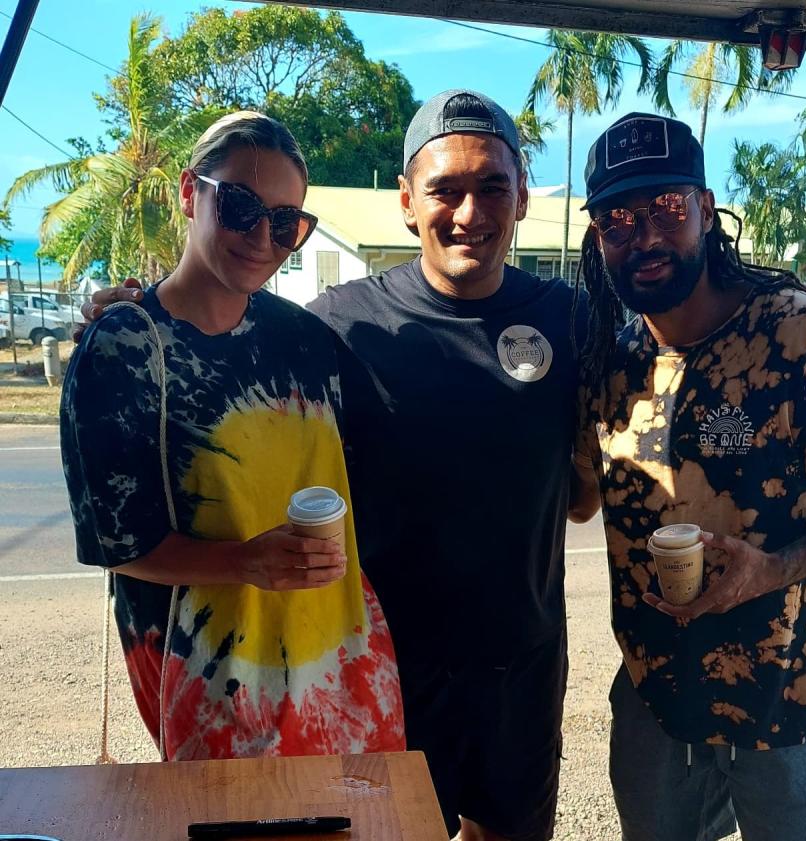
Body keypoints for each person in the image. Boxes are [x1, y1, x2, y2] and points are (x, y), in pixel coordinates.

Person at [79, 91, 595, 841]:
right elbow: (217, 337)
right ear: (407, 202)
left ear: (521, 196)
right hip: (381, 665)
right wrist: (133, 311)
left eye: (493, 186)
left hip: (524, 661)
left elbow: (594, 482)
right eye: (445, 189)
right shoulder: (336, 326)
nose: (470, 211)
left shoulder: (572, 319)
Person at [573, 112, 806, 841]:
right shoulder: (609, 364)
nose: (643, 235)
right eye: (617, 218)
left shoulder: (804, 332)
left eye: (666, 208)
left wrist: (774, 569)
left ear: (705, 210)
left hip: (788, 698)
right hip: (656, 695)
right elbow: (580, 498)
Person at [61, 111, 405, 762]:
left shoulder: (307, 340)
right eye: (241, 206)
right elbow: (116, 543)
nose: (262, 236)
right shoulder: (125, 346)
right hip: (211, 675)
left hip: (340, 657)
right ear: (191, 192)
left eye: (286, 222)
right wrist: (245, 561)